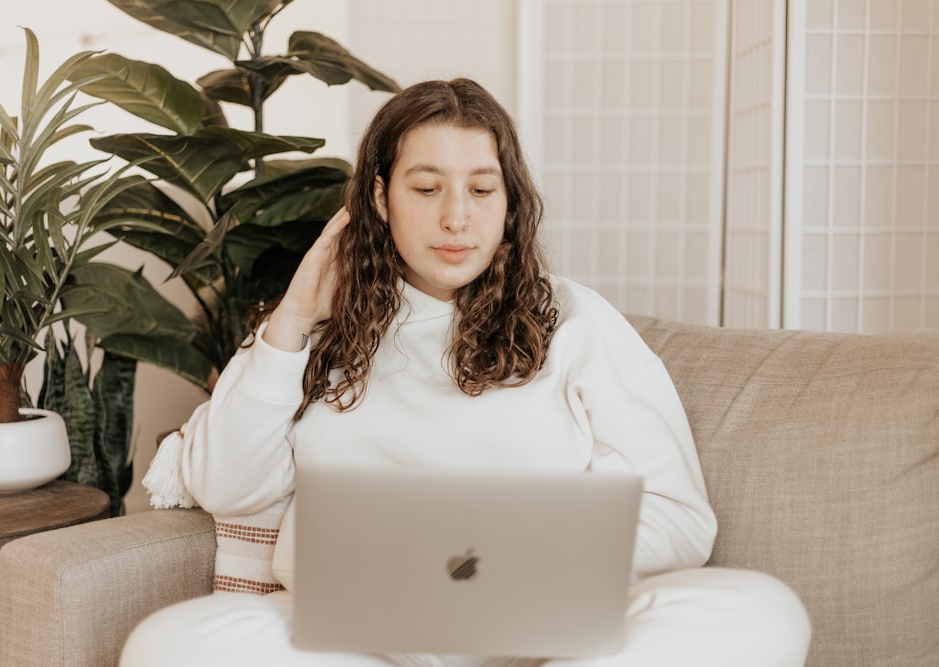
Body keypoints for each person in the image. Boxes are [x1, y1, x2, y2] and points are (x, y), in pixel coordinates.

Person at [120, 78, 810, 667]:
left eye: (482, 189)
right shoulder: (314, 335)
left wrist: (519, 563)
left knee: (760, 608)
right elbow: (227, 485)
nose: (457, 217)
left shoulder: (574, 318)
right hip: (361, 645)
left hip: (551, 641)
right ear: (380, 199)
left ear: (510, 206)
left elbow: (681, 519)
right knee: (171, 642)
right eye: (427, 188)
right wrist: (296, 314)